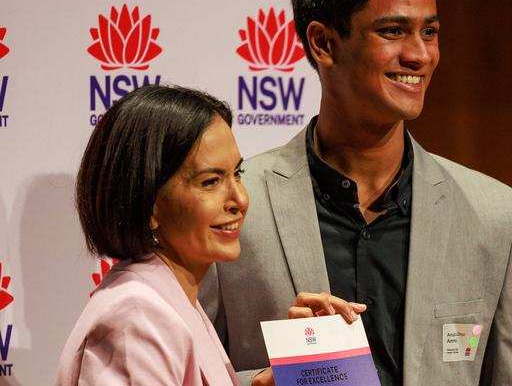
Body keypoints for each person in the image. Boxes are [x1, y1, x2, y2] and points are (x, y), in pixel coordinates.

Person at [200, 0, 512, 385]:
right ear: (324, 43)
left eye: (430, 31)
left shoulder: (495, 218)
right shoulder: (234, 208)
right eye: (393, 31)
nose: (420, 55)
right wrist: (267, 381)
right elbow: (183, 373)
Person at [56, 85, 364, 385]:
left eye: (237, 174)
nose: (239, 200)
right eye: (210, 182)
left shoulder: (173, 298)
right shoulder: (136, 318)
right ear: (149, 203)